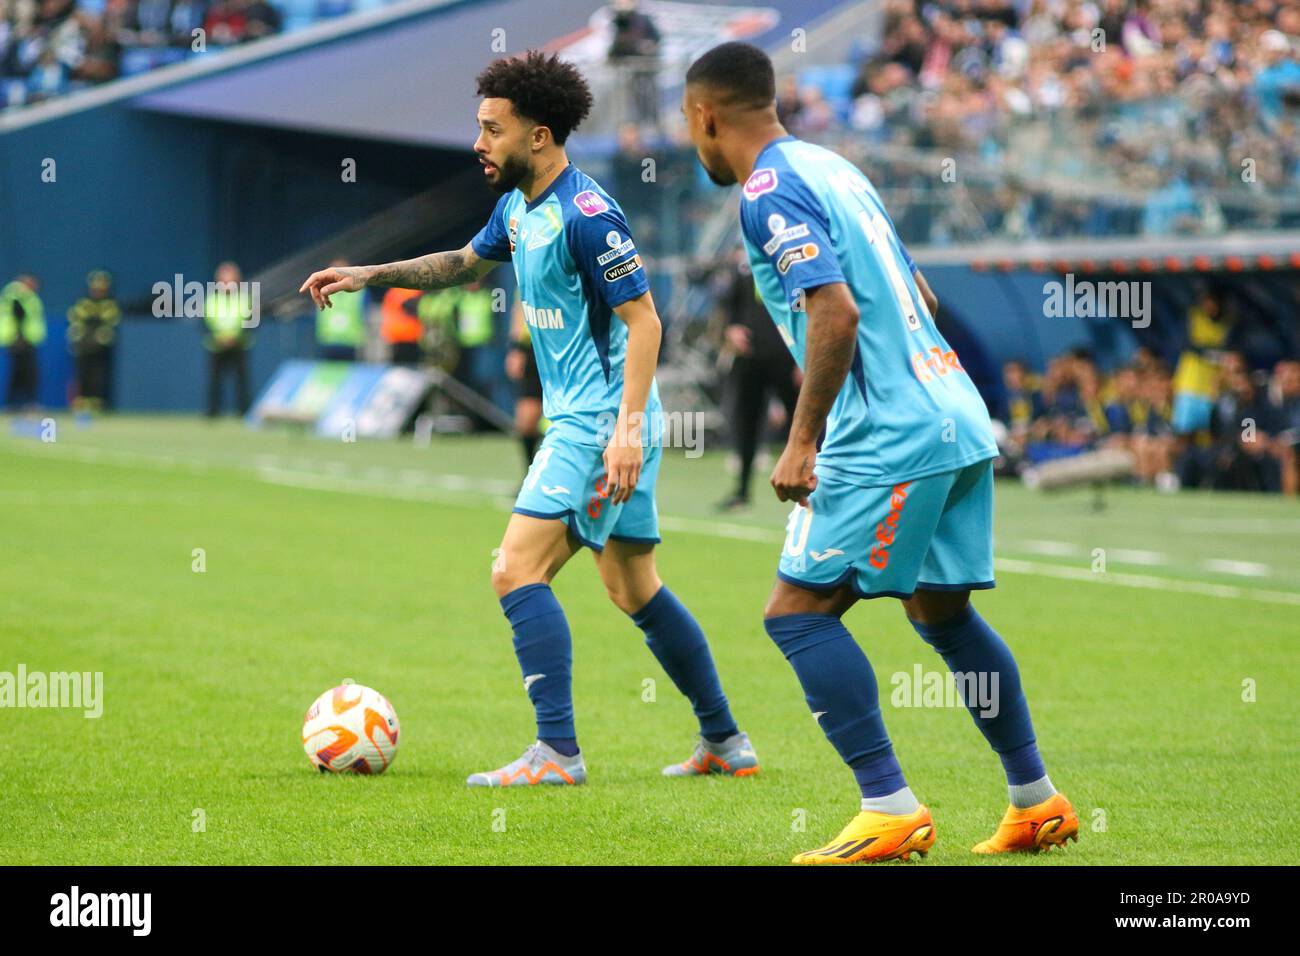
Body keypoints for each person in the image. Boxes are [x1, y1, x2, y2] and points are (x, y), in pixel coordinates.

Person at [301, 51, 757, 788]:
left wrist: (627, 432)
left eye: (492, 130)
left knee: (516, 569)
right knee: (633, 587)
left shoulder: (587, 215)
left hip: (599, 425)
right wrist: (369, 274)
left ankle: (557, 754)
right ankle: (726, 742)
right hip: (598, 423)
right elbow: (462, 264)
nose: (478, 144)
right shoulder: (520, 206)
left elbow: (646, 325)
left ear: (539, 135)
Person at [683, 42, 1076, 864]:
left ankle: (888, 807)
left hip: (888, 430)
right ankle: (1036, 802)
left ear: (705, 116)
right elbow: (919, 294)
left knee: (796, 615)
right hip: (955, 412)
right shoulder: (836, 169)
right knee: (942, 612)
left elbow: (834, 313)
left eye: (691, 130)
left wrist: (800, 441)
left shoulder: (766, 190)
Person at [716, 246, 799, 511]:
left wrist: (805, 357)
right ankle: (741, 491)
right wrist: (731, 329)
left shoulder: (793, 261)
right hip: (750, 357)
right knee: (746, 424)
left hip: (786, 356)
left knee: (802, 423)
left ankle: (812, 484)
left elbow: (805, 308)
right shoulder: (745, 264)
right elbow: (730, 307)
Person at [67, 269, 122, 412]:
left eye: (102, 288)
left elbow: (110, 325)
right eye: (96, 288)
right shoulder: (83, 303)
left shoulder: (110, 304)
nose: (98, 291)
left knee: (97, 376)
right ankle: (81, 405)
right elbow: (75, 322)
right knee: (82, 374)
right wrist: (81, 339)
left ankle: (96, 405)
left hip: (100, 350)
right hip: (83, 347)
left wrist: (97, 340)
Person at [204, 261, 252, 417]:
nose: (226, 283)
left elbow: (250, 321)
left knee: (242, 381)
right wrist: (220, 337)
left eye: (230, 279)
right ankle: (212, 413)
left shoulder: (244, 299)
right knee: (215, 382)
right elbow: (205, 322)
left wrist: (235, 337)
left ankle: (244, 412)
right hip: (216, 346)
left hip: (239, 345)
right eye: (223, 279)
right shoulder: (212, 300)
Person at [507, 296, 544, 476]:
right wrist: (516, 348)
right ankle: (530, 475)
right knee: (526, 421)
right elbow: (519, 307)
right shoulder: (525, 270)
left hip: (567, 347)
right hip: (532, 350)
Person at [0, 274, 46, 409]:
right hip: (21, 341)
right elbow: (18, 317)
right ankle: (26, 403)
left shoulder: (20, 296)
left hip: (23, 340)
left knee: (19, 372)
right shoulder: (18, 296)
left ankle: (13, 403)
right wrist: (19, 338)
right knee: (28, 372)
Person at [315, 257, 366, 361]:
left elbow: (365, 313)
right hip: (329, 341)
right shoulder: (321, 290)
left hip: (350, 342)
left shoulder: (359, 292)